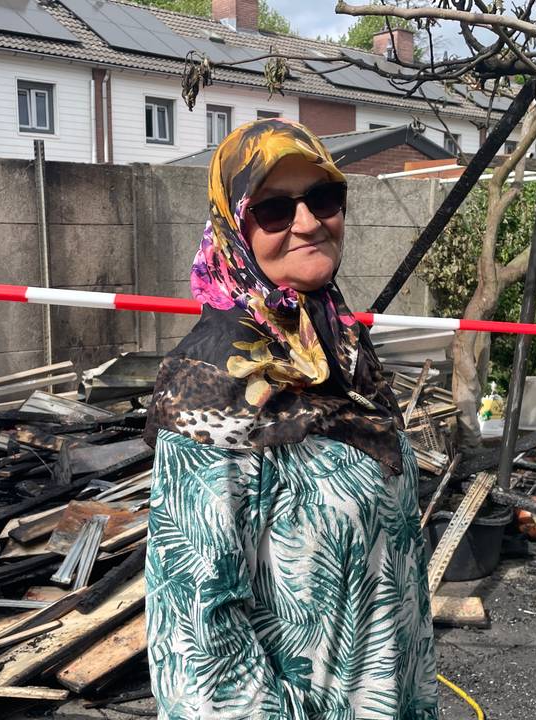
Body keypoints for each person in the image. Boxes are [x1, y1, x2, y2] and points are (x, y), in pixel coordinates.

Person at [142, 118, 438, 719]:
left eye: (324, 199)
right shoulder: (212, 390)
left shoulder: (342, 355)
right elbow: (198, 644)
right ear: (234, 228)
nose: (308, 223)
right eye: (275, 209)